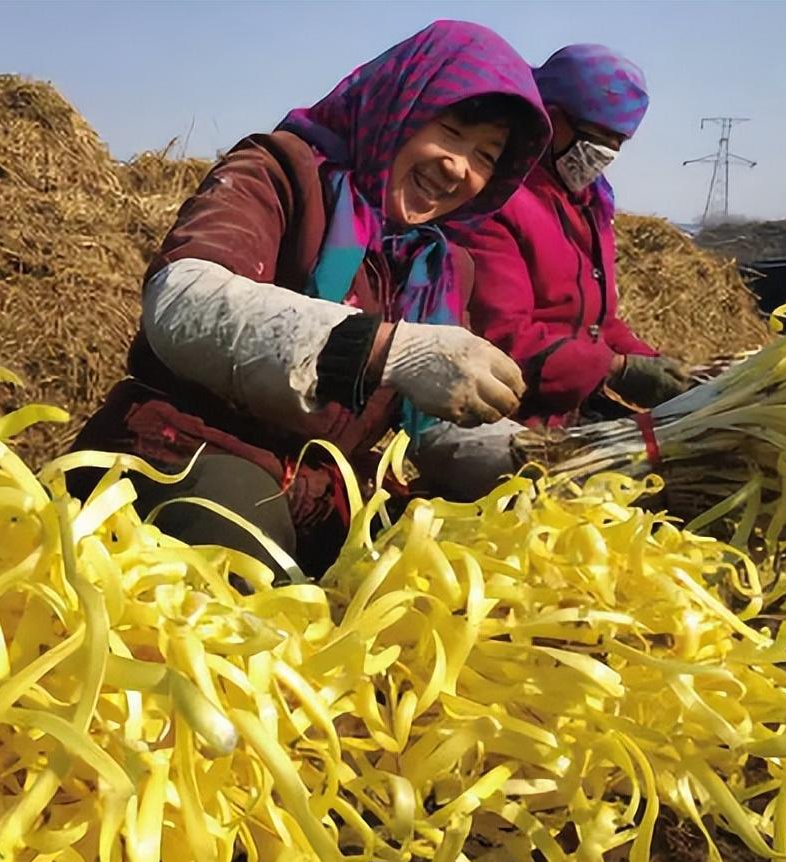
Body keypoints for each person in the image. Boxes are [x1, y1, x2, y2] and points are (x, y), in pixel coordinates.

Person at [67, 21, 551, 579]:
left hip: (328, 492)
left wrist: (543, 460)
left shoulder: (439, 267)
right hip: (188, 452)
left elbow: (430, 428)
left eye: (486, 157)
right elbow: (183, 302)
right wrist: (380, 348)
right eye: (450, 130)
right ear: (400, 104)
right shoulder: (282, 175)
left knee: (456, 574)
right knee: (241, 541)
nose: (458, 166)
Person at [452, 44, 691, 426]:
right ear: (551, 119)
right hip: (509, 420)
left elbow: (598, 323)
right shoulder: (498, 202)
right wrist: (614, 368)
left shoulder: (588, 204)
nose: (608, 153)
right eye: (600, 137)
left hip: (570, 410)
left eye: (619, 143)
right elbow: (506, 338)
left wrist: (650, 364)